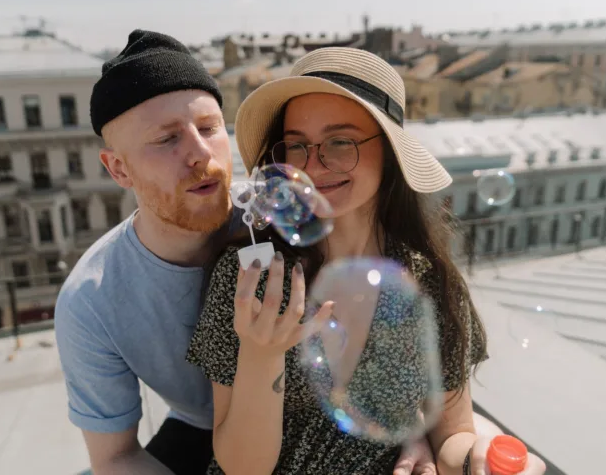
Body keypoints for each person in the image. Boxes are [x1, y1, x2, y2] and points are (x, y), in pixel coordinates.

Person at [54, 29, 437, 475]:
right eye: (166, 139)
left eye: (208, 128)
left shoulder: (285, 212)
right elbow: (115, 456)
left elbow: (381, 303)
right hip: (199, 431)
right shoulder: (91, 300)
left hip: (301, 428)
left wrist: (418, 432)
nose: (201, 154)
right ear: (118, 167)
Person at [186, 47, 547, 474]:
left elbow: (452, 432)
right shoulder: (253, 277)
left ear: (390, 151)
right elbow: (241, 468)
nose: (315, 164)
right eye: (297, 145)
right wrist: (261, 354)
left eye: (340, 141)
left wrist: (477, 458)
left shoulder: (429, 282)